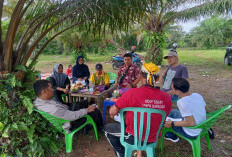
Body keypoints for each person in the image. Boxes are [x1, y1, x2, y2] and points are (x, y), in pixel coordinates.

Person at [104, 63, 172, 157]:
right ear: (157, 78)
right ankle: (139, 153)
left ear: (140, 75)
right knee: (144, 122)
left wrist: (112, 114)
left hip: (132, 137)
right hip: (153, 137)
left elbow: (112, 112)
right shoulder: (167, 98)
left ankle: (122, 154)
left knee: (107, 128)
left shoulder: (131, 93)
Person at [33, 80, 103, 134]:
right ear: (44, 91)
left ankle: (86, 126)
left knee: (79, 104)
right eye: (51, 88)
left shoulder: (38, 102)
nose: (53, 90)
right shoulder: (55, 109)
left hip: (64, 116)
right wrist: (87, 110)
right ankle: (101, 128)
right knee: (95, 111)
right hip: (70, 123)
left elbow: (64, 109)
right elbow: (72, 116)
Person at [164, 78, 206, 142]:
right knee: (174, 112)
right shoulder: (197, 95)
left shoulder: (182, 102)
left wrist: (172, 123)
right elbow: (206, 110)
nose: (172, 91)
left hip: (192, 133)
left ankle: (170, 135)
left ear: (178, 91)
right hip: (202, 127)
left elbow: (191, 123)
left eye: (173, 89)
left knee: (166, 120)